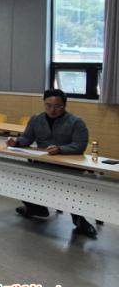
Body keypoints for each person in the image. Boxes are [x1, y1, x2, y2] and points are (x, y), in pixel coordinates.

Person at [6, 89, 97, 238]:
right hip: (42, 163)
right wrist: (16, 142)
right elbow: (27, 138)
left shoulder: (76, 122)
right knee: (19, 177)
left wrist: (61, 149)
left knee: (71, 188)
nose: (52, 110)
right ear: (44, 103)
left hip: (67, 166)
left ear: (64, 105)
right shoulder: (36, 119)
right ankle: (36, 208)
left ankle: (78, 219)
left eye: (57, 106)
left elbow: (79, 145)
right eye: (48, 105)